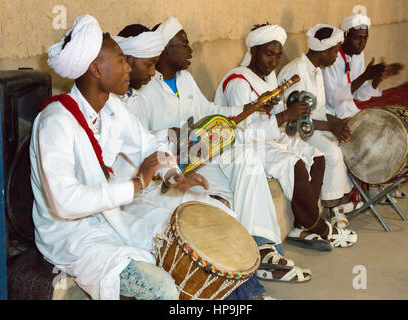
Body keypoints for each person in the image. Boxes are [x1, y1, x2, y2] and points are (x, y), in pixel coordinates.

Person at [30, 15, 236, 300]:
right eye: (120, 60)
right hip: (72, 236)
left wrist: (173, 175)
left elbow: (149, 146)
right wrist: (137, 185)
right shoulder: (56, 122)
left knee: (208, 221)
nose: (128, 66)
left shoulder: (112, 109)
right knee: (160, 287)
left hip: (113, 216)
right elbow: (65, 202)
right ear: (96, 70)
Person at [121, 17, 313, 284]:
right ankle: (255, 255)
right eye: (184, 44)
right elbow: (140, 143)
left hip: (199, 150)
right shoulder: (143, 90)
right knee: (230, 186)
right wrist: (172, 137)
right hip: (171, 163)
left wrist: (251, 107)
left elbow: (211, 112)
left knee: (246, 157)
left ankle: (263, 246)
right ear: (165, 50)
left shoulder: (185, 80)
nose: (191, 50)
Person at [215, 23, 353, 251]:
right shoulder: (238, 81)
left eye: (277, 56)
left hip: (270, 137)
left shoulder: (268, 78)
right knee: (295, 164)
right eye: (269, 54)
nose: (273, 61)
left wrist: (293, 111)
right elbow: (240, 132)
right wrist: (285, 116)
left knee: (317, 156)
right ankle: (317, 225)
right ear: (254, 51)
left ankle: (303, 224)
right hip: (244, 146)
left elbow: (275, 116)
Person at [277, 24, 358, 246]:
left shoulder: (316, 70)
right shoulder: (296, 72)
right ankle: (333, 207)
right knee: (330, 150)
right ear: (323, 50)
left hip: (312, 126)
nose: (336, 55)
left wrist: (336, 122)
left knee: (342, 141)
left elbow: (319, 110)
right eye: (334, 51)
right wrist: (331, 125)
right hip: (294, 131)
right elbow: (297, 118)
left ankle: (341, 199)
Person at [322, 13, 404, 119]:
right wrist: (364, 77)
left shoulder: (358, 55)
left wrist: (375, 81)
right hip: (330, 116)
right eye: (357, 38)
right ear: (345, 36)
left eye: (365, 38)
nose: (362, 43)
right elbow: (332, 100)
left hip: (351, 112)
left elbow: (359, 95)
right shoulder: (331, 57)